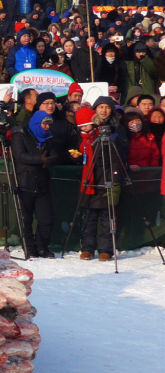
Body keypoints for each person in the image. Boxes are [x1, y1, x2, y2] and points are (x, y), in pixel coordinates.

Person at [75, 107, 126, 261]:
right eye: (81, 126)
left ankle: (106, 249)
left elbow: (115, 162)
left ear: (94, 123)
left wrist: (114, 181)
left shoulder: (107, 139)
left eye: (86, 125)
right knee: (88, 218)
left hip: (104, 182)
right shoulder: (83, 140)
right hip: (88, 183)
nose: (84, 128)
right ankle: (87, 248)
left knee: (106, 218)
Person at [10, 110, 58, 258]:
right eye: (44, 124)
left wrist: (51, 159)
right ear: (37, 123)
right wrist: (40, 159)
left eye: (49, 124)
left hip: (42, 183)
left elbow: (55, 153)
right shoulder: (21, 135)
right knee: (26, 219)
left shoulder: (49, 138)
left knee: (46, 219)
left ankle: (42, 247)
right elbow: (19, 155)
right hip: (24, 183)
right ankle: (29, 248)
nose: (46, 127)